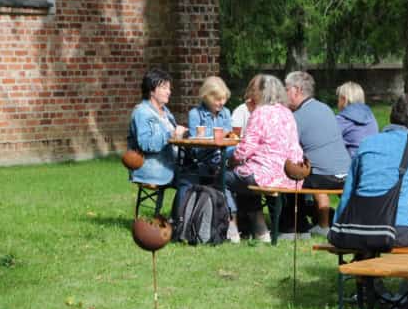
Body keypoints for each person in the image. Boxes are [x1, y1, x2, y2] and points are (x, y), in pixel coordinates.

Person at [335, 95, 408, 247]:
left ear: (391, 116)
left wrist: (338, 227)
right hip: (394, 229)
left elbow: (348, 191)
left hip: (357, 225)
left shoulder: (367, 142)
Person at [226, 74, 303, 241]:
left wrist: (230, 160)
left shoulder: (261, 113)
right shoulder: (287, 113)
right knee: (246, 178)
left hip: (264, 174)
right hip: (289, 175)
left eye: (254, 90)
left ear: (261, 92)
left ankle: (232, 227)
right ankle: (260, 231)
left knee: (223, 178)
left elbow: (245, 149)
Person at [284, 71, 351, 237]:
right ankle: (322, 224)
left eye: (286, 89)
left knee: (288, 175)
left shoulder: (297, 117)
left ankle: (294, 228)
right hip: (346, 174)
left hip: (323, 176)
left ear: (296, 90)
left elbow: (285, 147)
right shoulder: (325, 108)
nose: (283, 94)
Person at [127, 68, 189, 208]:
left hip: (171, 164)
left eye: (169, 88)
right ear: (152, 90)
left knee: (202, 175)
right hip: (153, 168)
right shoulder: (142, 113)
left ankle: (181, 218)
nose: (169, 92)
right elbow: (145, 143)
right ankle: (179, 220)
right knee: (190, 180)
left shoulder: (165, 112)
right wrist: (171, 134)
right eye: (164, 88)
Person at [186, 76, 239, 242]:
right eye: (217, 99)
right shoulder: (195, 114)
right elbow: (195, 146)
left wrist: (229, 149)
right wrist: (217, 140)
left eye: (223, 99)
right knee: (221, 178)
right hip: (203, 160)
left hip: (223, 159)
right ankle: (232, 225)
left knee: (231, 171)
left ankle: (233, 223)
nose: (221, 103)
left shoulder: (226, 113)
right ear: (206, 96)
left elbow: (230, 142)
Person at [335, 81, 378, 157]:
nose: (337, 102)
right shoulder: (371, 117)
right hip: (372, 161)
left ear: (344, 100)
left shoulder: (341, 120)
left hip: (351, 164)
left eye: (338, 99)